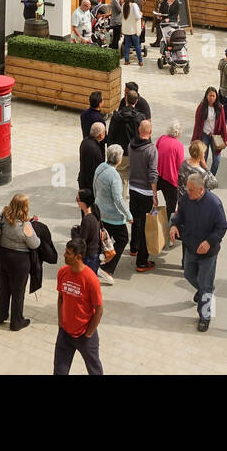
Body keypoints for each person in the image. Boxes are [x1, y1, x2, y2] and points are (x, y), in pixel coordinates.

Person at [169, 173, 227, 332]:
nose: (188, 192)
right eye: (188, 189)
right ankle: (204, 290)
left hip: (208, 253)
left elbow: (222, 227)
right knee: (188, 274)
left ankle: (205, 316)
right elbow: (179, 214)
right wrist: (174, 225)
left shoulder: (214, 204)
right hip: (190, 247)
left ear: (201, 190)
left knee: (206, 284)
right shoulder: (186, 199)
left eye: (191, 190)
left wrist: (209, 242)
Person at [54, 239, 104, 375]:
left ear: (79, 257)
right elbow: (60, 297)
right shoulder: (63, 272)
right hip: (64, 333)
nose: (64, 255)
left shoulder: (90, 279)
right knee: (59, 371)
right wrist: (60, 322)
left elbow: (99, 310)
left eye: (68, 253)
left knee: (94, 370)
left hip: (84, 335)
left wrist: (88, 333)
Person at [0, 193, 41, 330]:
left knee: (3, 287)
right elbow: (35, 244)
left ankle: (0, 316)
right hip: (19, 262)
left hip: (1, 257)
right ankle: (16, 322)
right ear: (25, 207)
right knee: (18, 292)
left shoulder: (4, 215)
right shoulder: (26, 226)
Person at [93, 146, 133, 274]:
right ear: (120, 160)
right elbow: (118, 199)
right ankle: (107, 267)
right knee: (122, 239)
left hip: (100, 210)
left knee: (105, 239)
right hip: (113, 216)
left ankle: (98, 262)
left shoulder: (100, 167)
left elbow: (94, 186)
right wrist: (128, 215)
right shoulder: (115, 176)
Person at [128, 120, 160, 273]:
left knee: (135, 220)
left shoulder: (131, 145)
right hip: (146, 192)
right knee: (145, 227)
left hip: (133, 189)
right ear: (150, 132)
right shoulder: (151, 150)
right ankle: (142, 261)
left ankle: (133, 247)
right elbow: (153, 174)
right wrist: (154, 195)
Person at [192, 86, 227, 176]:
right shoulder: (201, 107)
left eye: (213, 96)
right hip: (204, 135)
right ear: (206, 96)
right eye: (210, 96)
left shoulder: (220, 107)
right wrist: (194, 139)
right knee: (203, 158)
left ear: (216, 97)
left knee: (217, 160)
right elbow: (197, 124)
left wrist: (225, 138)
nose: (211, 98)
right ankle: (202, 177)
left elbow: (223, 124)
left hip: (216, 136)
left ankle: (211, 177)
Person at [155, 122, 185, 223]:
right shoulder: (179, 145)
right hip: (171, 180)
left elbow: (156, 152)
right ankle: (169, 228)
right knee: (171, 206)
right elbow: (180, 165)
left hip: (159, 176)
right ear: (178, 133)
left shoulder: (161, 138)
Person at [74, 190, 104, 278]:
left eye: (77, 199)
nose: (76, 201)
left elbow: (81, 241)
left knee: (86, 282)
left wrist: (74, 232)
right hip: (94, 255)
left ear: (83, 202)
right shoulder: (95, 213)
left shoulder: (87, 219)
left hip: (89, 257)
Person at [78, 122, 106, 192]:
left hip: (83, 179)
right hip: (90, 185)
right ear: (101, 135)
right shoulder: (95, 149)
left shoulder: (85, 141)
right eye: (104, 132)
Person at [121, 0, 143, 65]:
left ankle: (126, 60)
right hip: (134, 29)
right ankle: (140, 61)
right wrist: (141, 15)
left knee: (127, 45)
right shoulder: (134, 5)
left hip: (126, 29)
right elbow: (137, 16)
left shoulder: (123, 5)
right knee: (137, 46)